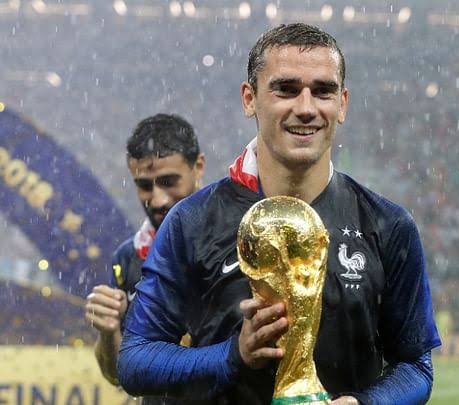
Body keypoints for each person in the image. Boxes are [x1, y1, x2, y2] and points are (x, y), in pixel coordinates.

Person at [117, 23, 441, 404]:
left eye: (323, 91)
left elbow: (415, 366)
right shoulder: (193, 222)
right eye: (286, 89)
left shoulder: (388, 225)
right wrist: (233, 355)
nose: (305, 108)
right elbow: (135, 361)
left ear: (342, 104)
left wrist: (364, 403)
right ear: (249, 99)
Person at [84, 114, 205, 392]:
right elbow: (117, 376)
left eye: (169, 181)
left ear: (198, 167)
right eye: (145, 185)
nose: (158, 199)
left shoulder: (236, 238)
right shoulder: (127, 258)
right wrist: (108, 331)